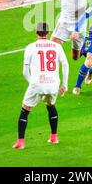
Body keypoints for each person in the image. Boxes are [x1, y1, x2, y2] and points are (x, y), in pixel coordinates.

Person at [12, 22, 69, 150]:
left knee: (25, 110)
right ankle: (54, 137)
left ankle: (20, 142)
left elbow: (25, 72)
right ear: (48, 33)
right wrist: (64, 84)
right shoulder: (56, 46)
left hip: (36, 84)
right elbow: (65, 64)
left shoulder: (30, 47)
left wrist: (32, 84)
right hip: (53, 85)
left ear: (36, 33)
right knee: (50, 106)